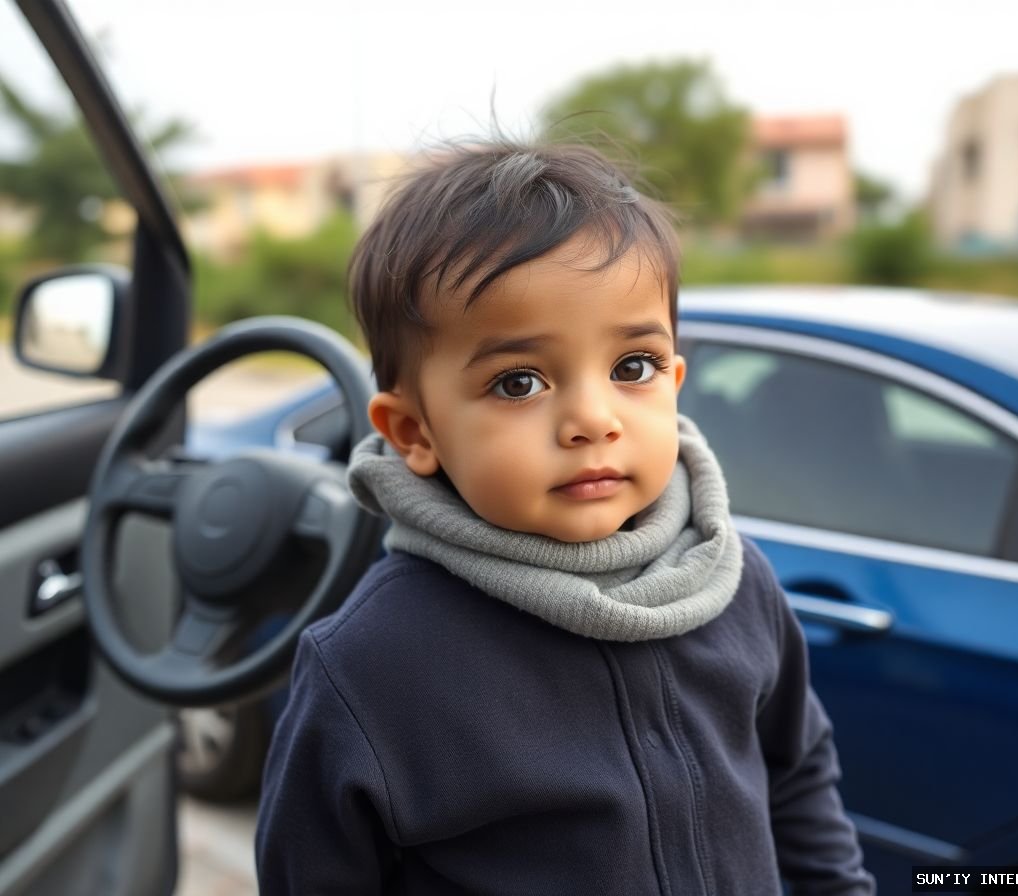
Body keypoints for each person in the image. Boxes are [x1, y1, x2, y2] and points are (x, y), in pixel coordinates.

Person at [255, 139, 875, 895]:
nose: (592, 419)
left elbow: (799, 780)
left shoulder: (737, 584)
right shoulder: (372, 664)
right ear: (414, 432)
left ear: (674, 381)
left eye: (632, 368)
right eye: (519, 381)